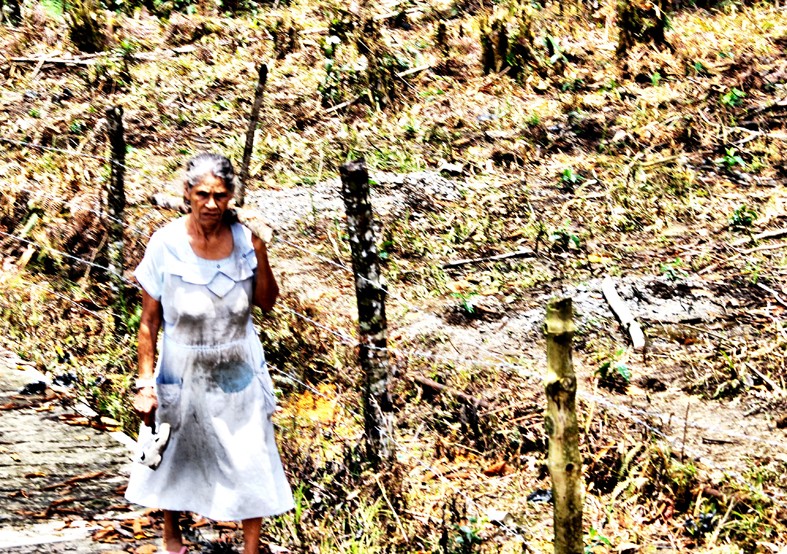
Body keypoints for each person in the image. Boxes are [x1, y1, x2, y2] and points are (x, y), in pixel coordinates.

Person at [125, 153, 294, 554]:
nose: (212, 204)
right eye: (202, 194)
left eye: (220, 195)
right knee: (175, 447)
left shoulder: (245, 241)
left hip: (235, 365)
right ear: (187, 193)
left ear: (231, 196)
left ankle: (250, 547)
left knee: (250, 451)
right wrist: (145, 383)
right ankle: (171, 537)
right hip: (181, 364)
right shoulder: (165, 243)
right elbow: (149, 322)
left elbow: (266, 303)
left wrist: (260, 250)